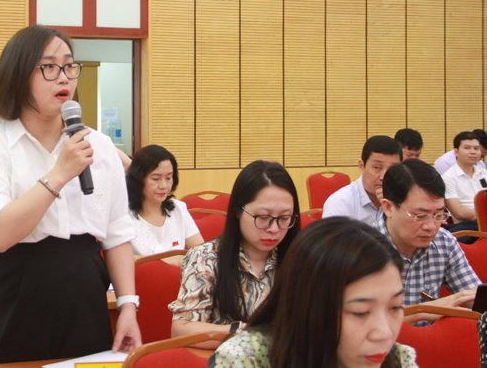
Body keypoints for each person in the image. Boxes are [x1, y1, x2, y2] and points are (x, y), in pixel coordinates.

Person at [0, 25, 141, 364]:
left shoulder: (100, 146)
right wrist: (59, 174)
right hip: (15, 286)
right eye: (49, 67)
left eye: (70, 66)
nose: (64, 77)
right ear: (17, 75)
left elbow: (117, 234)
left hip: (85, 288)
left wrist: (128, 305)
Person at [210, 217, 417, 368]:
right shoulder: (246, 359)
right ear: (309, 307)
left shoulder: (399, 360)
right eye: (360, 312)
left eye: (395, 307)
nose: (384, 333)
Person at [169, 160, 300, 341]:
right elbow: (182, 330)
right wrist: (245, 332)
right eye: (263, 217)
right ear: (238, 211)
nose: (274, 228)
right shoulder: (206, 258)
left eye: (284, 218)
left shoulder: (300, 259)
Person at [379, 159, 479, 325]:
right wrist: (423, 311)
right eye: (420, 216)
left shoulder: (444, 242)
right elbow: (353, 325)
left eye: (439, 214)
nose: (431, 226)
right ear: (388, 207)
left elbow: (473, 299)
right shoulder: (359, 250)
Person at [126, 144, 203, 262]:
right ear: (138, 179)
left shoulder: (178, 209)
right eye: (156, 179)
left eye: (168, 178)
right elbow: (118, 260)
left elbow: (201, 252)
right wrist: (167, 261)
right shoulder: (123, 215)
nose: (164, 186)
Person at [322, 135, 402, 225]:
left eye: (392, 169)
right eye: (377, 167)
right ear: (361, 165)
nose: (383, 177)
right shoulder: (340, 203)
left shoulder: (403, 201)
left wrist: (393, 210)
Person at [442, 131, 487, 233]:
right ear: (456, 152)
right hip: (468, 229)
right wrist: (483, 215)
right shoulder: (448, 178)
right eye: (467, 148)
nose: (473, 152)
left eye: (476, 148)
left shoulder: (484, 173)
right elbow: (459, 213)